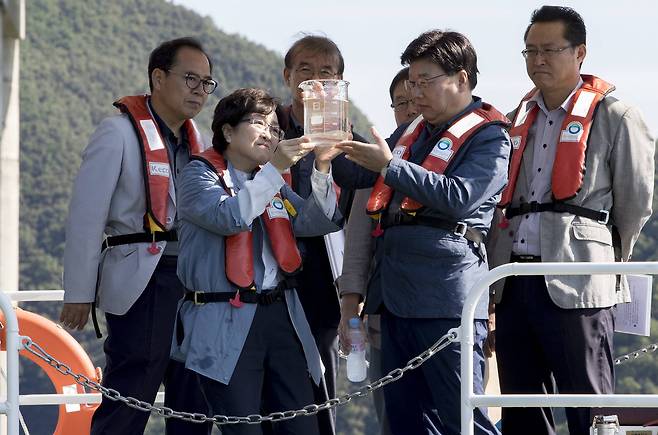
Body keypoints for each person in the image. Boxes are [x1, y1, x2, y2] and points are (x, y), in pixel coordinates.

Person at [487, 6, 655, 435]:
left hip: (580, 278)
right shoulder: (514, 118)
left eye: (549, 50)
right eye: (529, 51)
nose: (537, 60)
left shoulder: (617, 115)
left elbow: (636, 204)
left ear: (579, 52)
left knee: (589, 405)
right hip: (514, 276)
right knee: (520, 406)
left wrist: (605, 263)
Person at [335, 30, 509, 435]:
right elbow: (360, 173)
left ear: (461, 78)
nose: (416, 92)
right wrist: (330, 144)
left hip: (447, 297)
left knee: (462, 418)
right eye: (412, 82)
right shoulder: (412, 133)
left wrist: (389, 166)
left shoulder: (490, 136)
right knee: (403, 421)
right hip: (393, 299)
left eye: (425, 80)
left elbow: (459, 197)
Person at [60, 37, 214, 435]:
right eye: (190, 78)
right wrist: (79, 292)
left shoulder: (203, 145)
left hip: (196, 283)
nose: (199, 90)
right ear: (158, 78)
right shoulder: (117, 132)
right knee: (131, 392)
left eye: (206, 83)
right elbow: (85, 217)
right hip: (143, 280)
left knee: (194, 394)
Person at [170, 87, 343, 435]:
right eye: (258, 122)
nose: (269, 133)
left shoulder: (273, 182)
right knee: (243, 428)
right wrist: (275, 169)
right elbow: (229, 217)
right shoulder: (198, 175)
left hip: (282, 314)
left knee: (301, 427)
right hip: (223, 316)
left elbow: (314, 222)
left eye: (275, 128)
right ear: (228, 131)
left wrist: (322, 166)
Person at [275, 34, 367, 434]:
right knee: (272, 373)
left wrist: (341, 138)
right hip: (268, 265)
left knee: (321, 372)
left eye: (326, 73)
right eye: (305, 71)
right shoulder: (265, 124)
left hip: (322, 268)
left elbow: (367, 175)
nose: (314, 81)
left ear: (340, 82)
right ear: (288, 76)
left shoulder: (344, 134)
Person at [337, 66, 416, 435]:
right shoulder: (374, 166)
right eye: (400, 103)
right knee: (393, 419)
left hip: (449, 315)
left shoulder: (457, 160)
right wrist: (351, 316)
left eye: (417, 99)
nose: (410, 110)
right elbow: (356, 248)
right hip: (384, 316)